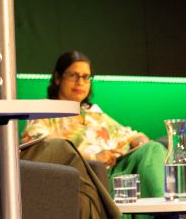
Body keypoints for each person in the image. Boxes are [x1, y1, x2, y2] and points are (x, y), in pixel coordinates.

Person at [21, 51, 166, 199]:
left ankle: (164, 208)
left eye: (86, 77)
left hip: (116, 174)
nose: (80, 82)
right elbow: (37, 147)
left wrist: (140, 143)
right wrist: (93, 157)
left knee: (153, 148)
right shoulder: (45, 110)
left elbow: (134, 135)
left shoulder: (93, 113)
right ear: (58, 78)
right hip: (85, 179)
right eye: (73, 75)